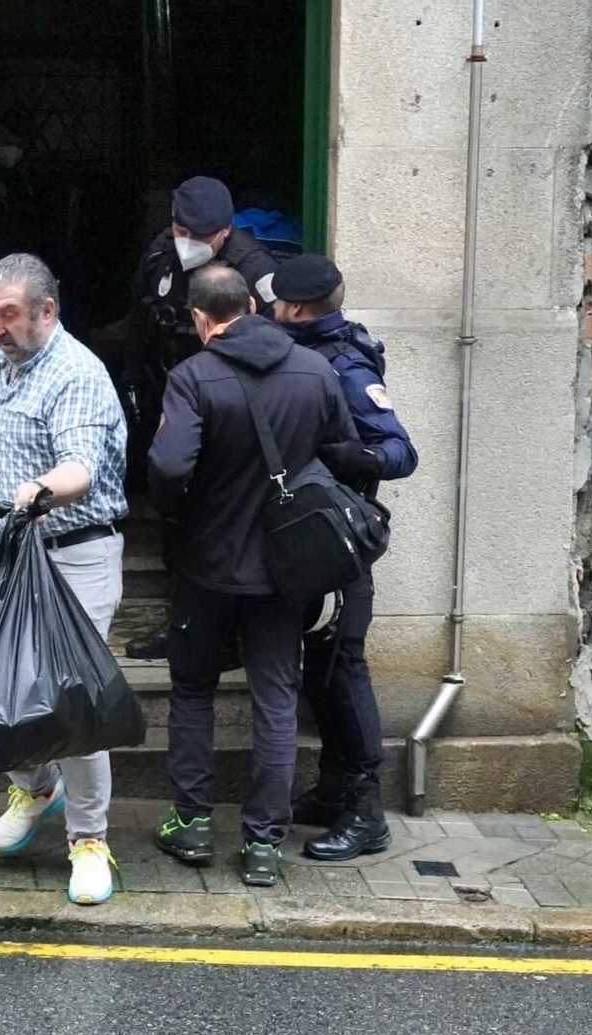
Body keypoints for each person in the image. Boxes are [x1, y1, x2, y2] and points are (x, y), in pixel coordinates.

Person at [147, 262, 358, 886]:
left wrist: (178, 509)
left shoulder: (192, 377)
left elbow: (167, 465)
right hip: (286, 572)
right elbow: (340, 450)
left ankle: (190, 824)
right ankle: (264, 842)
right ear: (256, 306)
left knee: (192, 690)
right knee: (276, 697)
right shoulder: (315, 369)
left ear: (199, 317)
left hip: (207, 567)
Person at [0, 253, 130, 905]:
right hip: (8, 549)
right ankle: (35, 788)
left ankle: (88, 838)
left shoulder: (77, 373)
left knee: (73, 698)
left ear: (47, 310)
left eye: (9, 314)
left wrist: (40, 489)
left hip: (75, 549)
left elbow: (80, 467)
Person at [269, 254, 419, 861]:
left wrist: (350, 458)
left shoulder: (345, 365)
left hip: (338, 546)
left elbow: (401, 452)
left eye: (279, 305)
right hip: (307, 543)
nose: (272, 312)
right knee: (322, 673)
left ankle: (366, 812)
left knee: (345, 670)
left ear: (298, 310)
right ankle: (333, 792)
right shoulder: (302, 355)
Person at [111, 175, 282, 661]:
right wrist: (130, 380)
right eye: (184, 231)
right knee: (175, 521)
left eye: (203, 237)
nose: (191, 244)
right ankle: (184, 627)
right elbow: (141, 317)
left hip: (233, 412)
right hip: (173, 398)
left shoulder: (255, 269)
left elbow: (275, 347)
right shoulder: (162, 251)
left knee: (231, 526)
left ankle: (231, 636)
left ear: (225, 232)